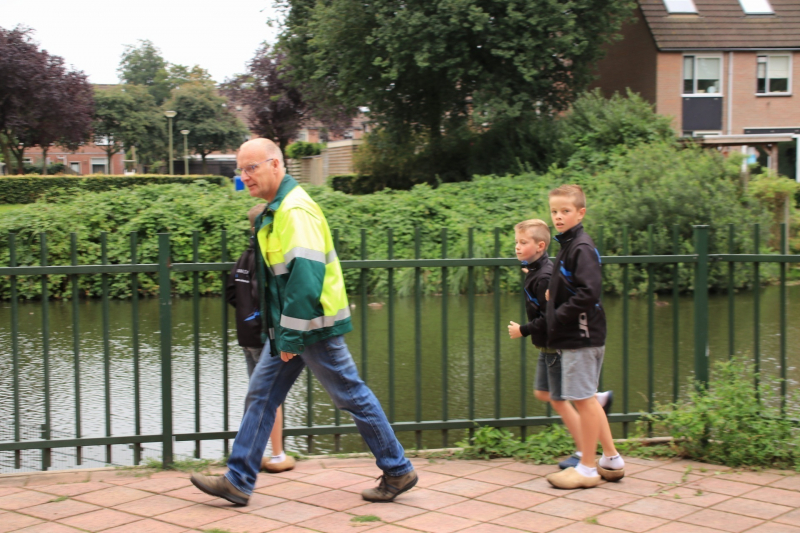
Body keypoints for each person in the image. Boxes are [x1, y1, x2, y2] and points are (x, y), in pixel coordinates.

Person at [191, 138, 417, 506]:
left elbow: (306, 276)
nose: (245, 176)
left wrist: (291, 337)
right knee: (262, 395)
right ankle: (238, 480)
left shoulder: (294, 210)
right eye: (241, 169)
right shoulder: (277, 209)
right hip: (295, 327)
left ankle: (397, 468)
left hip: (312, 326)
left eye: (252, 168)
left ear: (276, 166)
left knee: (351, 395)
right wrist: (284, 332)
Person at [527, 185, 625, 489]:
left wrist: (555, 314)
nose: (558, 216)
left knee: (583, 399)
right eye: (554, 211)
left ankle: (586, 469)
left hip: (582, 335)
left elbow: (589, 292)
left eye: (565, 211)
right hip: (577, 334)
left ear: (580, 213)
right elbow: (572, 284)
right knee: (586, 399)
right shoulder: (568, 245)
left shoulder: (580, 246)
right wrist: (551, 293)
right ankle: (610, 459)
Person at [507, 219, 612, 471]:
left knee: (566, 398)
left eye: (523, 243)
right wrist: (531, 269)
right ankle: (596, 401)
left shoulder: (543, 275)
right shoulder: (539, 270)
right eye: (516, 242)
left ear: (540, 246)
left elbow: (548, 316)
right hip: (547, 346)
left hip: (555, 345)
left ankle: (584, 449)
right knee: (547, 394)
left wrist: (523, 330)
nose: (517, 247)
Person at [225, 203, 295, 474]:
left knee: (257, 395)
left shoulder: (244, 257)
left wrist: (246, 315)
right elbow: (266, 296)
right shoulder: (268, 257)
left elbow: (232, 293)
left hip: (247, 337)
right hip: (266, 336)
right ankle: (276, 455)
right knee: (269, 396)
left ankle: (246, 456)